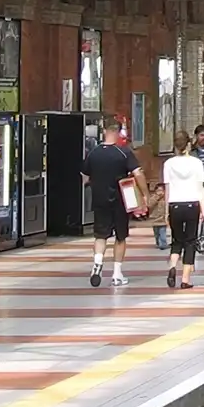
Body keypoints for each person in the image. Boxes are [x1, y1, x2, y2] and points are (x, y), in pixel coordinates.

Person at [81, 120, 139, 287]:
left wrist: (94, 183)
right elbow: (137, 172)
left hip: (99, 199)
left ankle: (97, 264)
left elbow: (84, 176)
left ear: (104, 130)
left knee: (100, 235)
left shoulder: (93, 153)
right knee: (120, 237)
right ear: (119, 132)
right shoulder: (123, 153)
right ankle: (117, 274)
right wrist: (143, 195)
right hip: (120, 201)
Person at [161, 132, 204, 289]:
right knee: (190, 242)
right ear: (188, 144)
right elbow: (200, 188)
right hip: (192, 204)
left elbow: (167, 189)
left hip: (174, 205)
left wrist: (166, 211)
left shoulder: (168, 164)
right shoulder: (196, 163)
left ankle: (172, 266)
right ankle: (185, 279)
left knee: (177, 240)